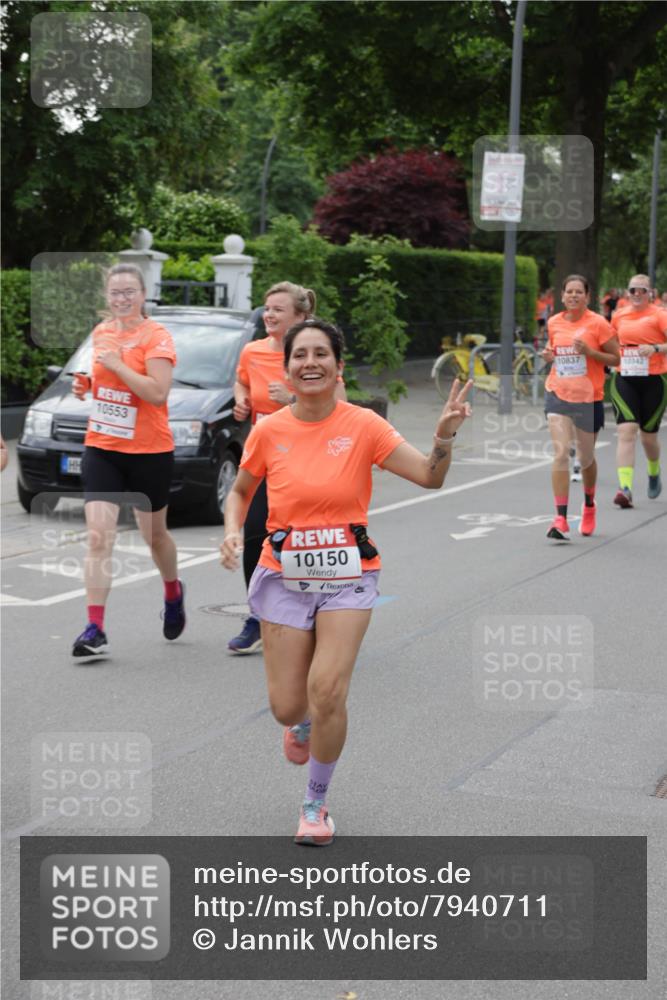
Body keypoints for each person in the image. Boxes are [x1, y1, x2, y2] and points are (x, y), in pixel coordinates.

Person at [220, 318, 472, 845]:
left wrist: (443, 435)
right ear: (287, 369)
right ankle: (302, 723)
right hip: (284, 573)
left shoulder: (364, 426)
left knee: (327, 689)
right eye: (299, 355)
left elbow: (430, 475)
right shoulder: (269, 430)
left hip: (348, 573)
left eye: (321, 354)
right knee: (289, 706)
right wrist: (229, 533)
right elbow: (241, 491)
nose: (310, 363)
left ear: (338, 367)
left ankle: (316, 805)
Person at [70, 263, 185, 660]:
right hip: (102, 446)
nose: (121, 299)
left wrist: (118, 365)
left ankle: (172, 590)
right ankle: (95, 627)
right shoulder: (101, 332)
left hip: (149, 452)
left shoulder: (157, 336)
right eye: (115, 292)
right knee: (99, 536)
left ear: (142, 294)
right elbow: (98, 377)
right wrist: (85, 384)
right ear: (107, 297)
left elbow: (157, 393)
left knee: (154, 536)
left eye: (128, 292)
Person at [227, 282, 345, 655]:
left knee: (301, 540)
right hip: (264, 458)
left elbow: (340, 404)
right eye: (267, 308)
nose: (269, 315)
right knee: (254, 536)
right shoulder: (253, 351)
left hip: (306, 461)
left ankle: (312, 612)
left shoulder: (306, 357)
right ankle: (257, 615)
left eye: (278, 310)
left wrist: (292, 397)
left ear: (300, 317)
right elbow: (240, 381)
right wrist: (242, 400)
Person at [541, 275, 620, 541]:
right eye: (569, 292)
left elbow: (615, 357)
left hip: (589, 398)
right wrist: (549, 356)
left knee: (585, 459)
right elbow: (555, 352)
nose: (573, 296)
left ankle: (588, 505)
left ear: (587, 296)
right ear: (562, 296)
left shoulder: (598, 324)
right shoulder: (554, 322)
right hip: (558, 393)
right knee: (561, 453)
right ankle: (560, 517)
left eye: (579, 292)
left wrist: (590, 352)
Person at [609, 274, 667, 507]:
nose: (636, 294)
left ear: (650, 293)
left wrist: (655, 348)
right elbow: (609, 342)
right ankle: (625, 488)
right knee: (626, 431)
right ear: (627, 292)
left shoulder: (659, 315)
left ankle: (653, 472)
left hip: (654, 380)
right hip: (625, 377)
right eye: (633, 290)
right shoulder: (619, 315)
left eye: (642, 290)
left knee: (648, 437)